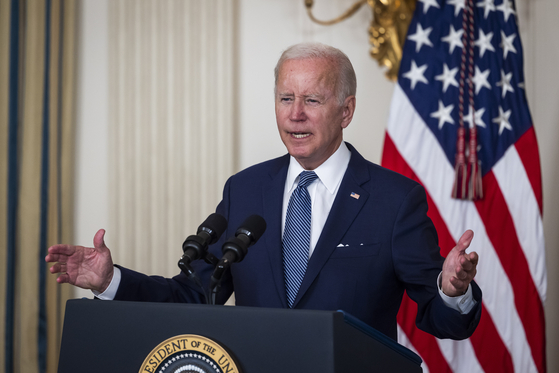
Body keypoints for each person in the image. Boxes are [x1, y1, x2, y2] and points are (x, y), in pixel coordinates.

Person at [46, 42, 481, 341]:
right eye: (284, 98)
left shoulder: (394, 199)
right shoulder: (246, 189)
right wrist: (109, 281)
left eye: (312, 100)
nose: (294, 115)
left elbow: (445, 321)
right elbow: (197, 294)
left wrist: (452, 289)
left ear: (346, 110)